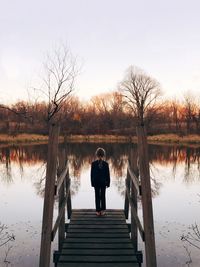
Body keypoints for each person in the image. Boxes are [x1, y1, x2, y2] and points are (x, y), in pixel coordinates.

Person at [91, 147, 110, 216]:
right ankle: (103, 210)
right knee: (103, 196)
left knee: (97, 196)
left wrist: (92, 183)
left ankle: (98, 211)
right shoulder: (106, 164)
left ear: (97, 155)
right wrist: (108, 183)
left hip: (96, 182)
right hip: (103, 182)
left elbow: (92, 175)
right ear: (103, 155)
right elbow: (108, 175)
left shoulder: (93, 163)